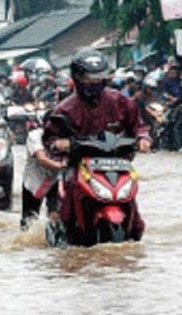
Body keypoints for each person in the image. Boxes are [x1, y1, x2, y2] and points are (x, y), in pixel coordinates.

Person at [44, 48, 151, 241]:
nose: (94, 82)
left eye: (99, 77)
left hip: (119, 164)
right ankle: (67, 235)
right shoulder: (65, 108)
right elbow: (50, 137)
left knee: (132, 206)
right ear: (77, 78)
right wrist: (59, 144)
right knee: (68, 207)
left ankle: (133, 232)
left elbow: (139, 126)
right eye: (89, 78)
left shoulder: (121, 102)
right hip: (81, 166)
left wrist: (143, 139)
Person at [21, 112, 66, 231]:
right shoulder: (34, 136)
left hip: (55, 180)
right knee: (29, 219)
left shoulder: (67, 136)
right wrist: (61, 165)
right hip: (35, 180)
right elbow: (41, 159)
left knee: (56, 214)